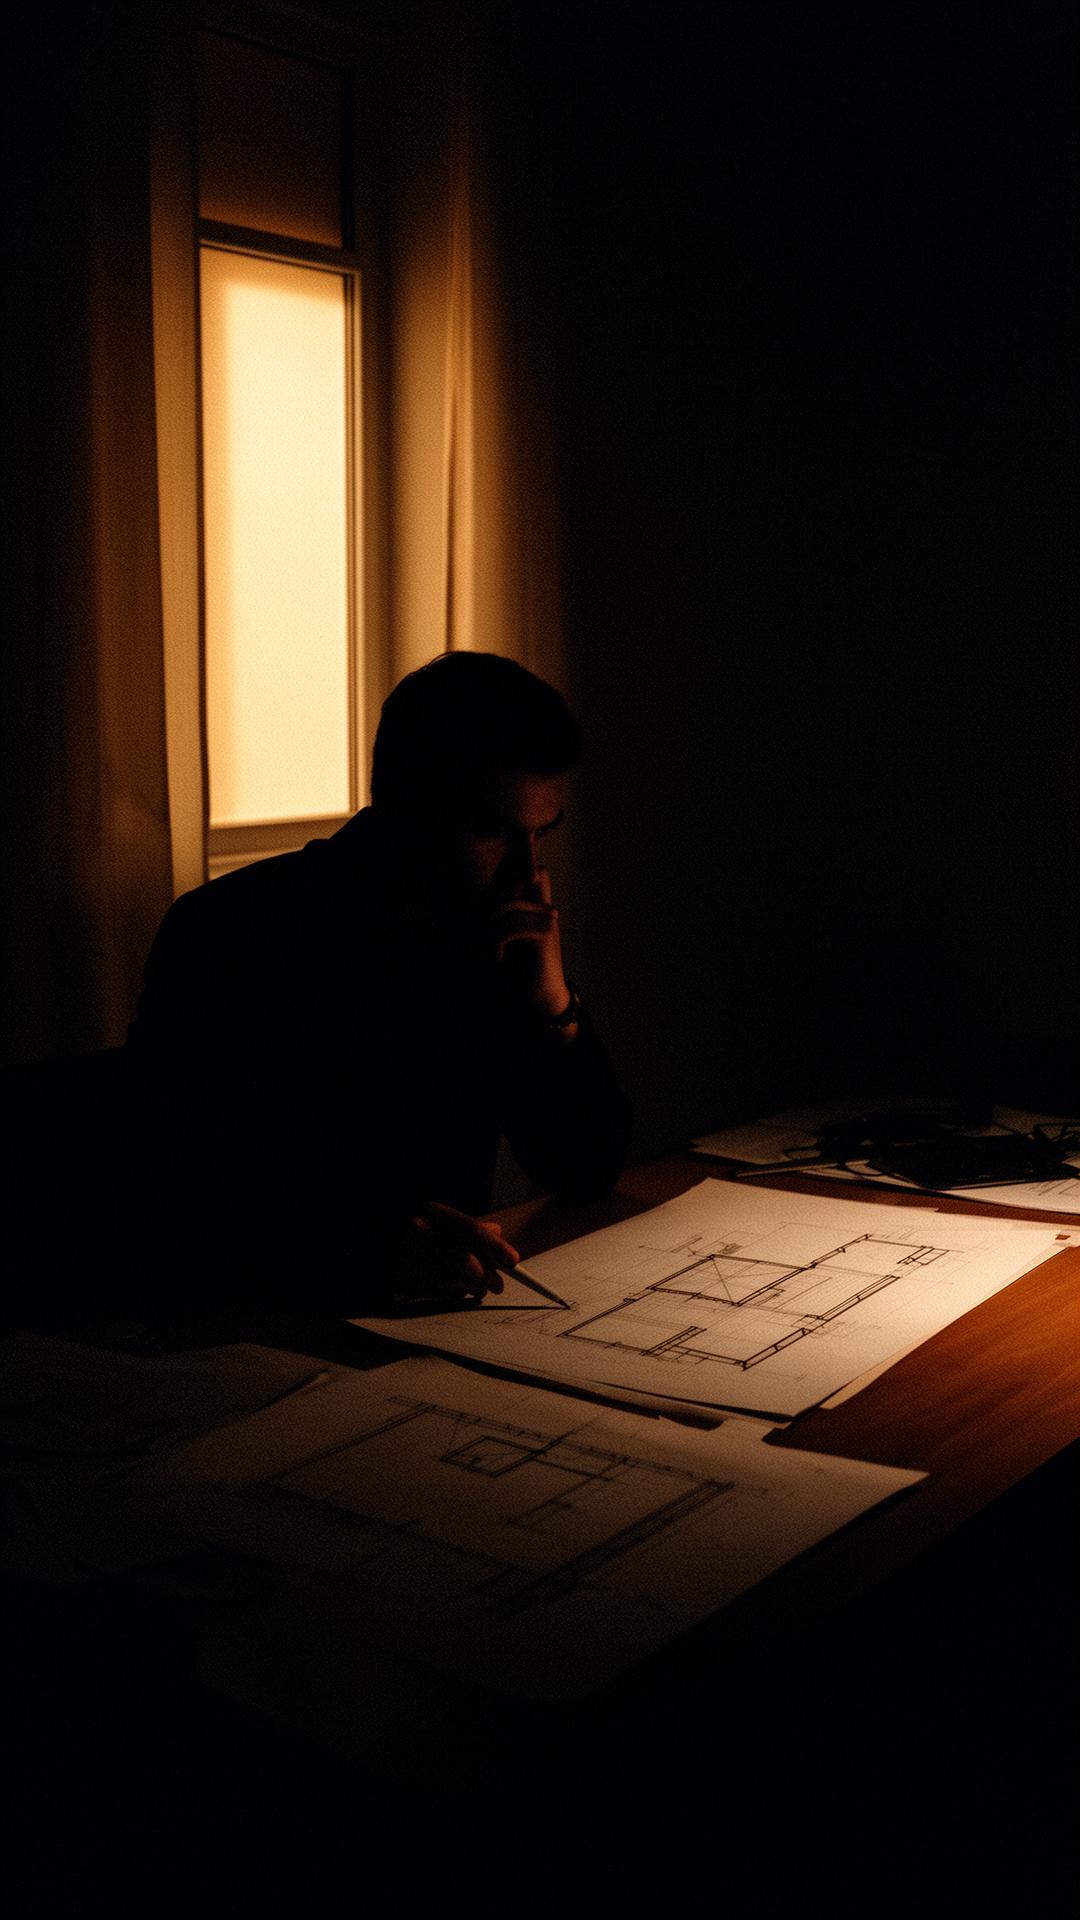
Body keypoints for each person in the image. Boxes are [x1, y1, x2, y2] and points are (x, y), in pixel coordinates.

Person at [125, 652, 629, 1307]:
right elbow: (170, 1196)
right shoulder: (233, 935)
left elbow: (584, 1167)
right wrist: (356, 1255)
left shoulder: (490, 934)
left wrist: (553, 1006)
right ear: (410, 806)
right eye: (493, 830)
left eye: (541, 834)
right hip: (271, 1335)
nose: (526, 872)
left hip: (439, 1327)